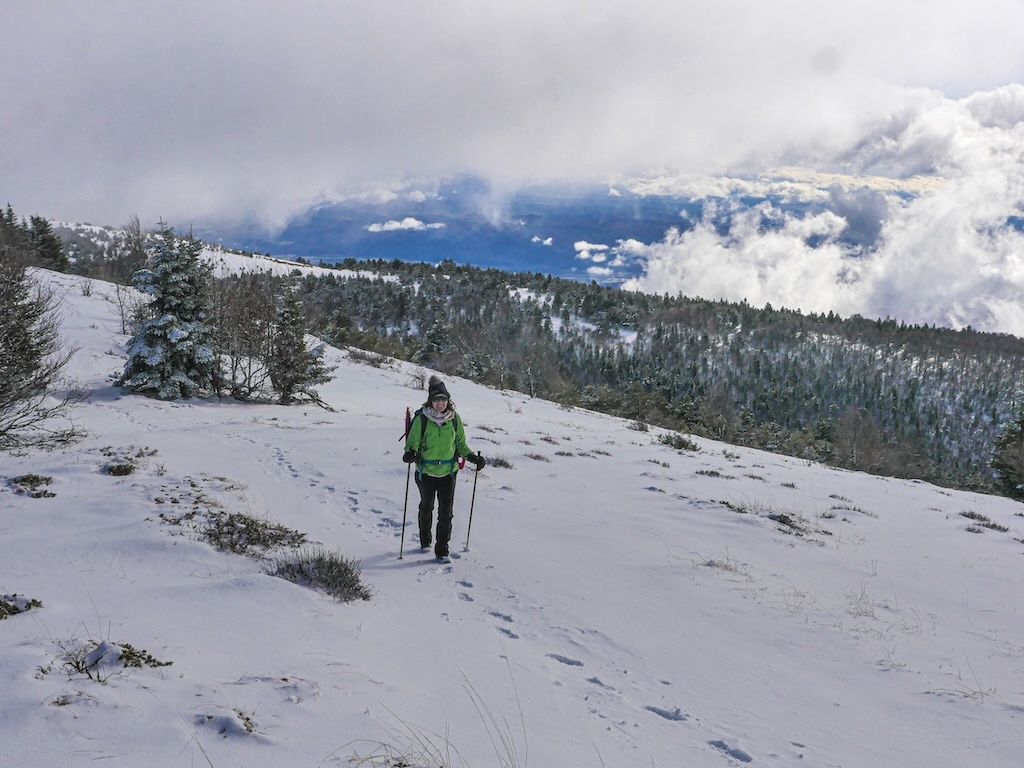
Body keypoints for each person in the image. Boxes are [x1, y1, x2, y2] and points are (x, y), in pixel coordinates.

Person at [403, 375, 485, 562]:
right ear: (430, 401)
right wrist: (410, 453)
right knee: (427, 507)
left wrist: (472, 457)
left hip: (448, 472)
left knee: (446, 512)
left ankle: (442, 550)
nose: (440, 403)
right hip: (425, 472)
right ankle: (425, 541)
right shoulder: (422, 419)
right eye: (436, 399)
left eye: (443, 399)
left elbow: (461, 444)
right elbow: (413, 442)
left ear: (448, 400)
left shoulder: (454, 419)